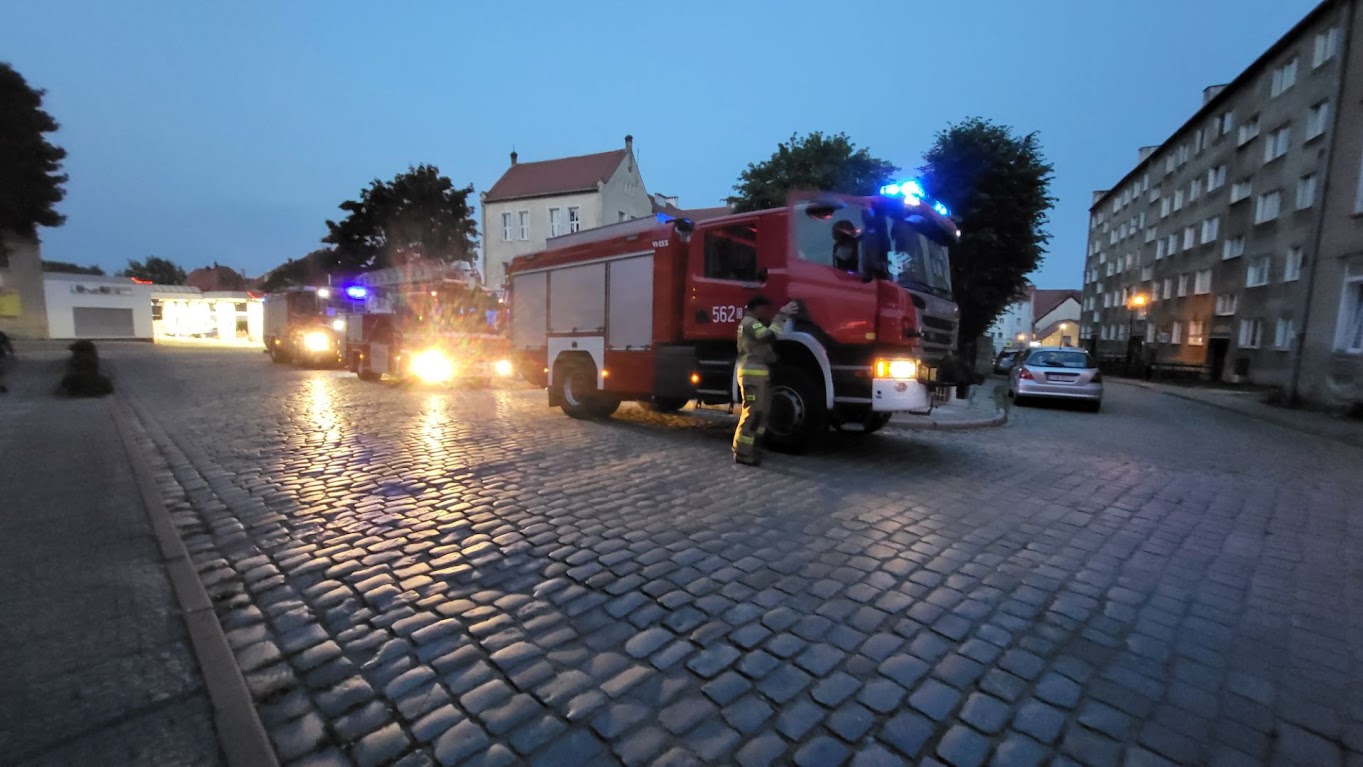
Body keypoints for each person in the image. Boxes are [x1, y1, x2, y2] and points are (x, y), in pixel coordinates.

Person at [733, 295, 799, 466]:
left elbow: (762, 349)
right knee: (753, 414)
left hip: (759, 375)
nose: (767, 312)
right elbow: (768, 336)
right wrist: (781, 315)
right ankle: (742, 452)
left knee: (762, 413)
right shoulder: (750, 322)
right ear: (757, 308)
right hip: (752, 376)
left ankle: (753, 446)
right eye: (765, 309)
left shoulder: (753, 323)